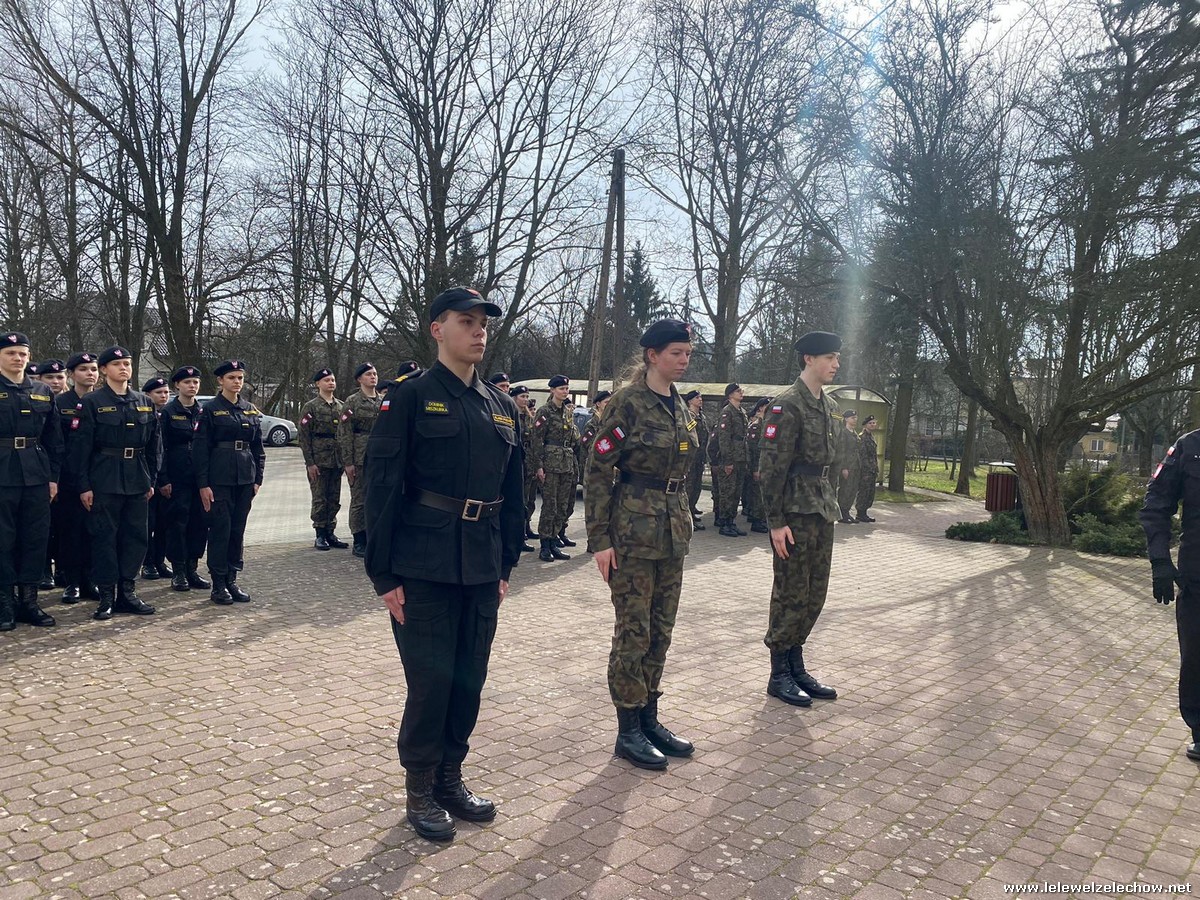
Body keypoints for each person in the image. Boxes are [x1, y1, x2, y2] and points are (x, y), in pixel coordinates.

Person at [364, 286, 524, 842]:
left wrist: (506, 565)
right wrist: (383, 575)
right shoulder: (409, 397)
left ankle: (450, 779)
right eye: (466, 321)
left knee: (469, 678)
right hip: (423, 565)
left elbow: (513, 493)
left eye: (484, 323)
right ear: (437, 329)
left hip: (481, 565)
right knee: (430, 682)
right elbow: (382, 487)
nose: (479, 331)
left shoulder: (501, 406)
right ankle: (420, 788)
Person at [585, 319, 696, 771]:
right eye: (675, 353)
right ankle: (628, 728)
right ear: (652, 355)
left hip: (672, 533)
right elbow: (597, 470)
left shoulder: (680, 405)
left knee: (661, 630)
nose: (683, 360)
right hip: (632, 534)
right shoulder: (628, 403)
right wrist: (599, 539)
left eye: (687, 353)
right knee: (634, 631)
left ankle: (649, 717)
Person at [757, 331, 842, 708]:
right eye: (829, 358)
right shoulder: (787, 405)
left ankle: (796, 665)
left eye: (836, 358)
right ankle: (779, 673)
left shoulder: (828, 404)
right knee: (790, 591)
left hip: (821, 506)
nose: (836, 364)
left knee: (814, 591)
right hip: (794, 510)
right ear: (809, 359)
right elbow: (771, 468)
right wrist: (775, 521)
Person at [72, 345, 161, 620]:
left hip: (137, 478)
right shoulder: (92, 402)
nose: (124, 368)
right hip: (104, 478)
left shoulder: (143, 401)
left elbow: (155, 445)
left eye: (127, 364)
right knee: (104, 538)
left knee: (135, 538)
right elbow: (81, 447)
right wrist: (84, 485)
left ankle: (128, 592)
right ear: (104, 370)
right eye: (117, 364)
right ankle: (107, 596)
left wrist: (151, 479)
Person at [1140, 436, 1200, 761]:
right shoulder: (1190, 447)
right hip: (1197, 576)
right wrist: (1160, 560)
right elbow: (1157, 502)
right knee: (1196, 659)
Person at [0, 332, 63, 632]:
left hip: (36, 474)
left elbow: (54, 439)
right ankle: (5, 601)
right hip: (2, 472)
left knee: (35, 538)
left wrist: (53, 478)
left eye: (22, 353)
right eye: (11, 353)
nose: (18, 358)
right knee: (3, 538)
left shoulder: (42, 390)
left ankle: (29, 600)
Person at [193, 359, 266, 605]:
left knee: (237, 530)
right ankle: (218, 583)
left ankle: (232, 579)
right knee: (220, 530)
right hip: (219, 479)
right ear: (220, 381)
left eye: (240, 378)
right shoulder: (210, 410)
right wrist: (203, 484)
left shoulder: (249, 409)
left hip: (245, 478)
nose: (237, 382)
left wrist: (258, 478)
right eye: (232, 378)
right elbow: (200, 449)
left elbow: (258, 448)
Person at [54, 352, 100, 604]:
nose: (89, 373)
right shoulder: (61, 403)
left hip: (98, 475)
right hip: (68, 477)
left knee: (95, 531)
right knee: (70, 531)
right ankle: (72, 582)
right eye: (83, 369)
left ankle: (90, 579)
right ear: (71, 375)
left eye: (93, 369)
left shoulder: (103, 401)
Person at [160, 365, 210, 592]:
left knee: (199, 524)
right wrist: (163, 479)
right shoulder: (168, 412)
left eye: (195, 382)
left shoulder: (203, 411)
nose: (192, 386)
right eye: (187, 382)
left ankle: (192, 568)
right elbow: (160, 447)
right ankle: (178, 570)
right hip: (177, 476)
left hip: (199, 478)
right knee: (177, 524)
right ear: (177, 385)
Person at [299, 368, 347, 551]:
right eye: (327, 380)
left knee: (334, 497)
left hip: (336, 459)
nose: (331, 383)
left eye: (332, 380)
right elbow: (304, 437)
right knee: (320, 498)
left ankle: (330, 532)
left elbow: (345, 434)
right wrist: (310, 463)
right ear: (318, 384)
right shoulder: (311, 407)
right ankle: (319, 533)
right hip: (319, 460)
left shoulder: (341, 406)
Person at [531, 375, 578, 561]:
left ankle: (553, 541)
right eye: (561, 389)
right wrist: (538, 466)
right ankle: (544, 545)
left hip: (566, 463)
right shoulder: (545, 411)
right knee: (550, 506)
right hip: (550, 464)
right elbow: (536, 440)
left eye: (567, 388)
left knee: (562, 506)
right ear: (552, 390)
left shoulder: (567, 412)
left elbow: (573, 438)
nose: (565, 392)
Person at [339, 362, 383, 558]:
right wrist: (348, 462)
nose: (373, 377)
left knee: (376, 498)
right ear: (359, 379)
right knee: (359, 499)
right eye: (368, 374)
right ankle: (359, 539)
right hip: (360, 457)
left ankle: (374, 536)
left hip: (379, 456)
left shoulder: (383, 401)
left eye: (375, 374)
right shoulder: (352, 402)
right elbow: (345, 433)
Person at [36, 359, 69, 591]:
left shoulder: (75, 403)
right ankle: (45, 569)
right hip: (40, 470)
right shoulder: (36, 399)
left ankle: (64, 570)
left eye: (59, 377)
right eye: (50, 377)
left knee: (65, 525)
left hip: (69, 471)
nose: (55, 382)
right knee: (44, 525)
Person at [141, 377, 174, 580]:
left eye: (166, 392)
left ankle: (159, 560)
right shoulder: (144, 414)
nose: (163, 396)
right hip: (150, 478)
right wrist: (158, 480)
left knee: (164, 523)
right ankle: (147, 563)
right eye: (158, 393)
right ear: (148, 395)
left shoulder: (169, 414)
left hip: (168, 477)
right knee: (148, 524)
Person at [716, 383, 748, 537]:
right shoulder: (727, 412)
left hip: (741, 457)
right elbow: (723, 438)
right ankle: (724, 522)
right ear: (730, 395)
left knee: (736, 492)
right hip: (731, 457)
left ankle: (731, 521)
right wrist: (727, 461)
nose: (741, 393)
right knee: (728, 491)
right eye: (737, 391)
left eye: (741, 390)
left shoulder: (742, 412)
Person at [510, 385, 537, 550]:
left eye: (527, 396)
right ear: (514, 398)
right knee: (518, 501)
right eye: (522, 396)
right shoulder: (510, 414)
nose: (525, 400)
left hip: (529, 463)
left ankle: (526, 528)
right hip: (515, 463)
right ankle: (517, 536)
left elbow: (535, 441)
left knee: (529, 500)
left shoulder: (529, 418)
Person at [743, 398, 771, 534]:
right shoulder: (756, 426)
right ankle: (756, 521)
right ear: (760, 408)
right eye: (766, 406)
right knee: (757, 495)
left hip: (767, 465)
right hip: (758, 466)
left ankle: (761, 519)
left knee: (763, 494)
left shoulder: (768, 424)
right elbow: (753, 449)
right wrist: (755, 469)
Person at [683, 390, 708, 531]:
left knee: (697, 487)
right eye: (697, 397)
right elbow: (686, 437)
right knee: (689, 487)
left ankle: (691, 511)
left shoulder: (701, 417)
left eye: (701, 397)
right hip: (691, 458)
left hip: (700, 457)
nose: (700, 399)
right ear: (690, 401)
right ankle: (686, 517)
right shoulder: (688, 416)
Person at [833, 409, 860, 524]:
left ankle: (847, 511)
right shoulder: (843, 433)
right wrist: (844, 467)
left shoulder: (854, 433)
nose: (855, 420)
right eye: (853, 418)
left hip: (855, 466)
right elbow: (841, 450)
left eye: (856, 418)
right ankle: (842, 513)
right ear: (846, 419)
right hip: (847, 466)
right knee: (845, 489)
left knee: (853, 490)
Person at [856, 415, 880, 523]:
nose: (873, 425)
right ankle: (860, 513)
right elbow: (863, 455)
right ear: (865, 425)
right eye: (870, 423)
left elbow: (873, 455)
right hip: (865, 470)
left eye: (874, 423)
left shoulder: (871, 437)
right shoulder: (862, 437)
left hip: (872, 469)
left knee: (870, 492)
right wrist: (867, 469)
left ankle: (864, 512)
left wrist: (875, 468)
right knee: (864, 491)